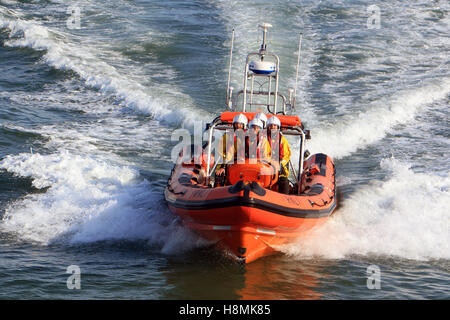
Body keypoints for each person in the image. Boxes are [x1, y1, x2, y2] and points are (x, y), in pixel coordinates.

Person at [267, 116, 291, 194]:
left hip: (279, 168)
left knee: (283, 181)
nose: (273, 127)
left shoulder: (282, 140)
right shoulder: (263, 139)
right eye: (271, 125)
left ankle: (285, 199)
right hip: (264, 166)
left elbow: (285, 156)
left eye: (275, 125)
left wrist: (278, 164)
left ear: (278, 127)